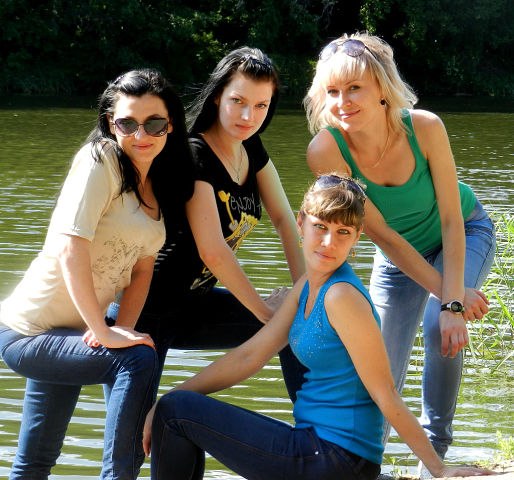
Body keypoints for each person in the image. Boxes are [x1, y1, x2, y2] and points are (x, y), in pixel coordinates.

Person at [143, 174, 494, 480]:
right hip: (315, 447)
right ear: (301, 223)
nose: (329, 243)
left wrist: (438, 468)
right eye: (320, 227)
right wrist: (169, 397)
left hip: (335, 460)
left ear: (357, 237)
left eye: (343, 232)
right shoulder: (307, 287)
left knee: (176, 413)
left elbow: (385, 392)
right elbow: (250, 355)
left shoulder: (341, 296)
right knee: (176, 406)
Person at [303, 31, 496, 471]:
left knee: (439, 324)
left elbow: (452, 219)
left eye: (355, 88)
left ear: (382, 89)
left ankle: (435, 460)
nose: (342, 102)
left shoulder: (424, 127)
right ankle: (366, 465)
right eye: (332, 91)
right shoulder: (326, 150)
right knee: (378, 364)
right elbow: (385, 236)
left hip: (465, 232)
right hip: (396, 255)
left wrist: (451, 301)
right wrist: (449, 294)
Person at [0, 68, 194, 479]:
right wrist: (102, 330)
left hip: (70, 334)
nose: (141, 134)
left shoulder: (159, 184)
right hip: (26, 332)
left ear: (170, 125)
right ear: (110, 122)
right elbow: (72, 246)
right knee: (137, 360)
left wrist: (121, 329)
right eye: (127, 123)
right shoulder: (99, 159)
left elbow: (142, 271)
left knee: (35, 461)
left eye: (154, 124)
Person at [109, 46, 305, 401]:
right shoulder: (194, 153)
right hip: (147, 308)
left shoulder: (251, 147)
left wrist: (307, 293)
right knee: (130, 431)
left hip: (196, 305)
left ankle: (315, 427)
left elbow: (284, 220)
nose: (248, 116)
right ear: (217, 96)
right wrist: (265, 312)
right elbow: (213, 251)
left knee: (294, 326)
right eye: (237, 101)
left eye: (261, 105)